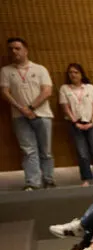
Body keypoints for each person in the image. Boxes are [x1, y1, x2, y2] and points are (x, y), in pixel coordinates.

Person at [2, 37, 54, 190]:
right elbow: (5, 92)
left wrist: (31, 107)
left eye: (17, 48)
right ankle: (33, 182)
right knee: (28, 150)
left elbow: (47, 91)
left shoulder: (39, 69)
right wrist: (21, 108)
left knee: (46, 150)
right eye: (11, 49)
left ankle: (48, 179)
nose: (14, 51)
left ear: (25, 50)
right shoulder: (6, 71)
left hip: (42, 114)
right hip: (19, 116)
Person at [57, 62, 93, 185]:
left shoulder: (90, 88)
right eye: (70, 73)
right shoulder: (64, 89)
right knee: (82, 154)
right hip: (75, 123)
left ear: (81, 74)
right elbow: (65, 107)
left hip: (92, 123)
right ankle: (86, 179)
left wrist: (92, 122)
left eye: (76, 72)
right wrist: (75, 122)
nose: (73, 75)